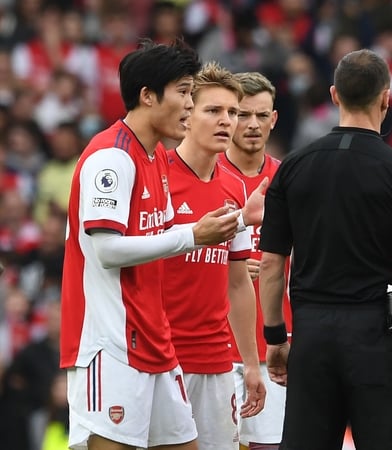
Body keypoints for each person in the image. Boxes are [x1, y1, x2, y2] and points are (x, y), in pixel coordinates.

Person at [59, 39, 241, 450]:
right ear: (147, 95)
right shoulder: (111, 158)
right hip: (110, 344)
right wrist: (193, 236)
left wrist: (240, 221)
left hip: (154, 341)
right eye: (184, 92)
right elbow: (107, 251)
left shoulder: (155, 156)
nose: (190, 105)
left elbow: (165, 235)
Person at [258, 48, 392, 450]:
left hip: (311, 331)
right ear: (386, 98)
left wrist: (275, 337)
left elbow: (271, 263)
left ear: (334, 94)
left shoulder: (293, 167)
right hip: (375, 332)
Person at [161, 61, 266, 450]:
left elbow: (238, 283)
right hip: (161, 357)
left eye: (232, 112)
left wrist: (251, 363)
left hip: (217, 359)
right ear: (187, 116)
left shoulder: (235, 189)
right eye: (213, 110)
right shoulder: (157, 175)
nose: (227, 121)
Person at [219, 71, 289, 450]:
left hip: (272, 347)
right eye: (243, 115)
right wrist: (226, 264)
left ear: (274, 119)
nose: (252, 125)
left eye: (262, 116)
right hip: (213, 346)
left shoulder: (290, 180)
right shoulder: (206, 175)